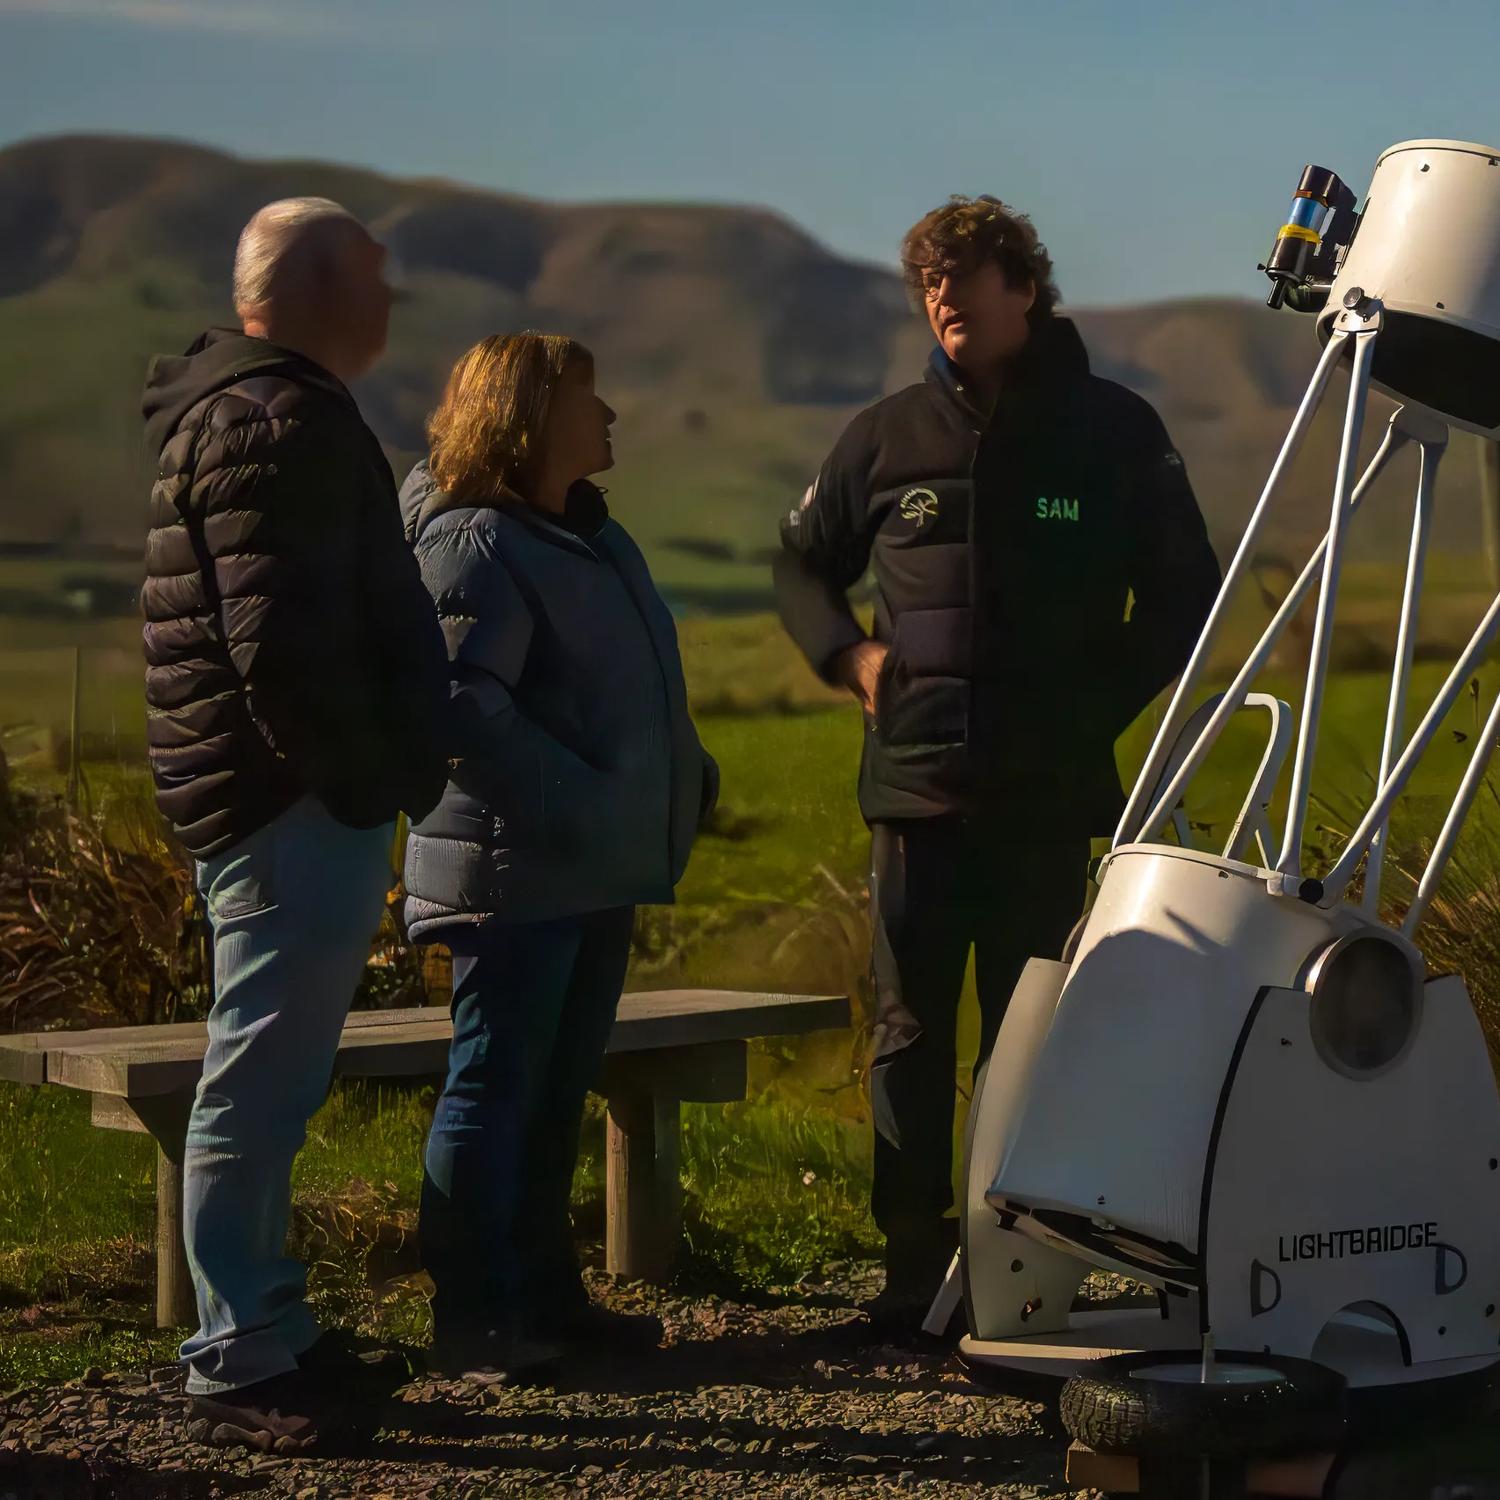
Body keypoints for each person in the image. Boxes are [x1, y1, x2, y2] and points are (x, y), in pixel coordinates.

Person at [773, 195, 1221, 1335]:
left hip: (1042, 794)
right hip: (915, 792)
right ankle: (909, 1268)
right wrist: (850, 652)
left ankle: (1015, 1263)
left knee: (1033, 1028)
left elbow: (1186, 595)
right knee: (911, 1031)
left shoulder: (1114, 430)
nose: (946, 296)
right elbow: (801, 566)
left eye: (969, 276)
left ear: (1026, 288)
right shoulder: (883, 436)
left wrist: (1091, 708)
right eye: (931, 280)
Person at [141, 198, 450, 1447]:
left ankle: (268, 1325)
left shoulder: (268, 413)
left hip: (280, 796)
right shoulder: (274, 423)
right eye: (375, 279)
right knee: (259, 1078)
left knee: (270, 1074)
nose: (389, 303)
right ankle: (239, 1355)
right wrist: (363, 777)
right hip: (288, 803)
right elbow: (282, 651)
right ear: (317, 285)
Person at [399, 332, 719, 1382]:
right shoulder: (477, 546)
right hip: (515, 871)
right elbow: (458, 707)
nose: (612, 415)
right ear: (530, 417)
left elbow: (620, 689)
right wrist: (582, 799)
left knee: (552, 1087)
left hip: (584, 867)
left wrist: (682, 773)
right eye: (591, 397)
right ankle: (474, 1316)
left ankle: (542, 1300)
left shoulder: (587, 537)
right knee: (495, 1086)